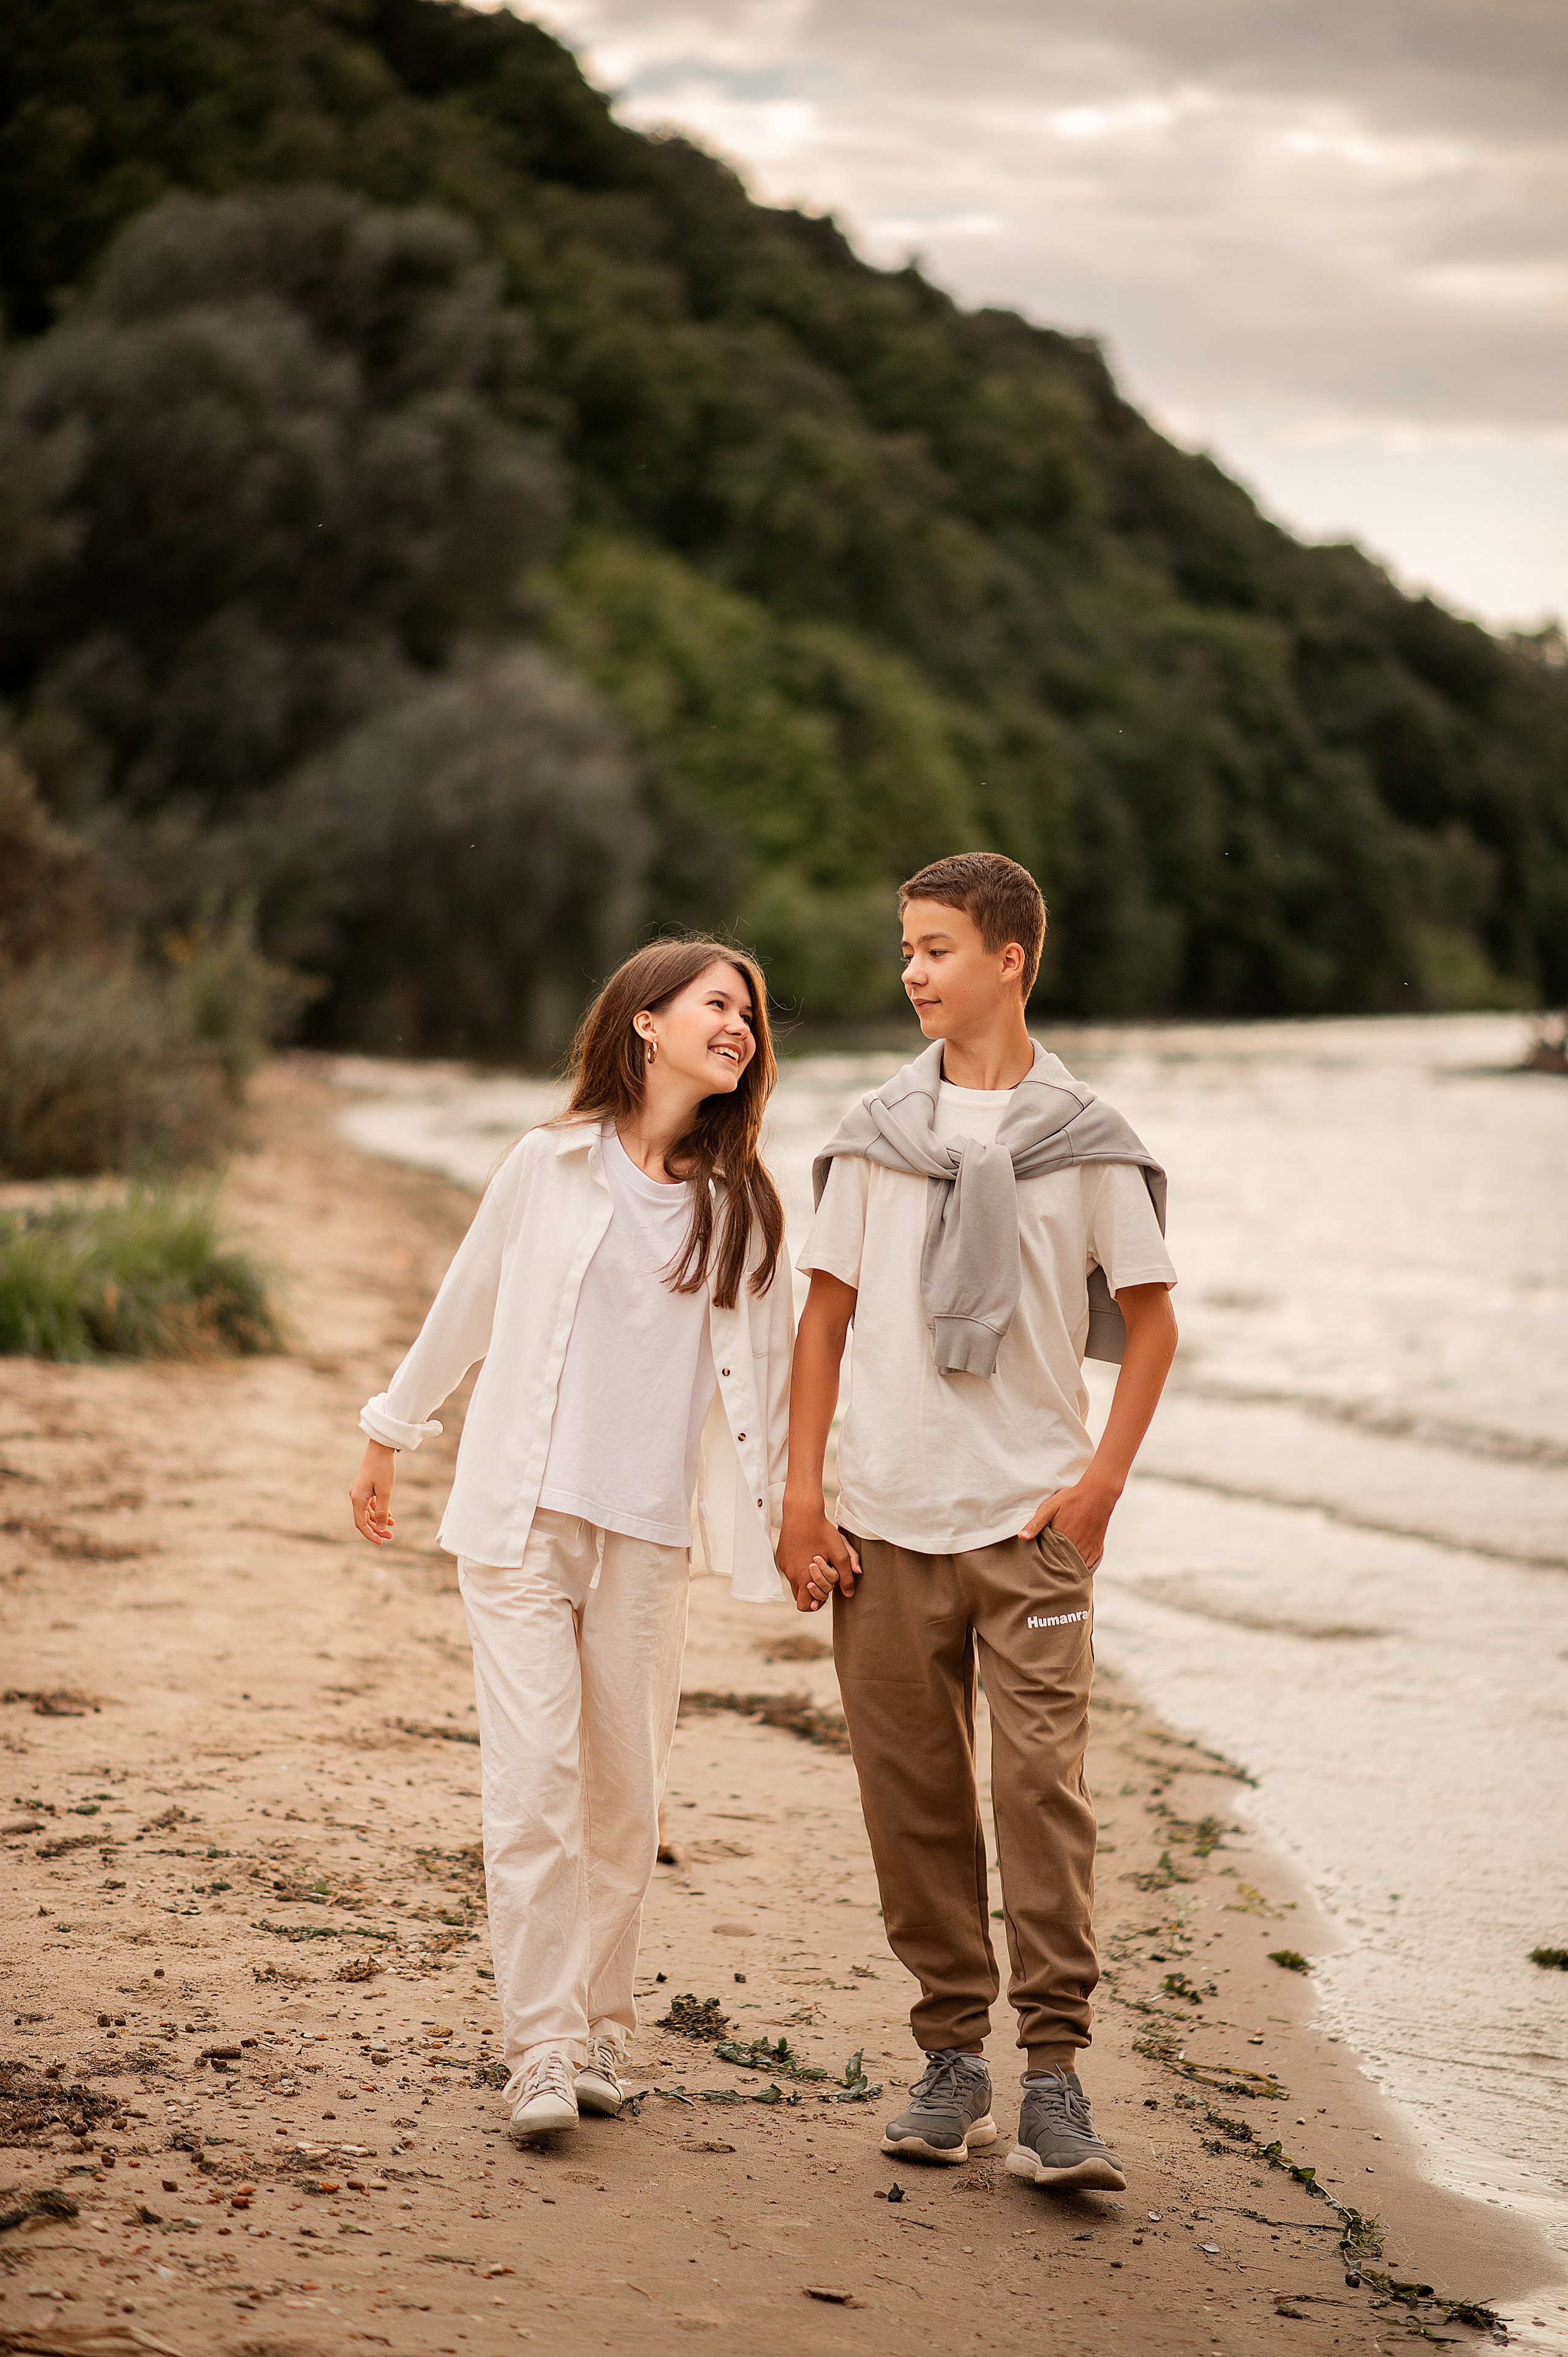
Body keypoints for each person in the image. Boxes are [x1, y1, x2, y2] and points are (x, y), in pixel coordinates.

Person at [349, 941, 792, 2143]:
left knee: (622, 1792)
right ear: (642, 1023)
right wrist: (390, 1428)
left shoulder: (743, 1202)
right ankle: (538, 2047)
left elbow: (777, 1390)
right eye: (717, 1004)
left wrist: (805, 1520)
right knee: (535, 1780)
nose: (740, 1025)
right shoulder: (546, 1166)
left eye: (748, 1012)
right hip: (521, 1521)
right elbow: (467, 1301)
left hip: (648, 1537)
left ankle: (599, 2025)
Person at [780, 853, 1177, 2192]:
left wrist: (1099, 1488)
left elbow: (1153, 1323)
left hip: (1029, 1520)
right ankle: (951, 2059)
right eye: (904, 947)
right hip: (883, 1515)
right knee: (913, 1799)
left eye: (936, 947)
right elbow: (821, 1319)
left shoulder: (1088, 1141)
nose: (911, 970)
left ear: (1010, 958)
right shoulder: (871, 1134)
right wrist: (800, 1494)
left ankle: (1054, 2079)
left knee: (1035, 1792)